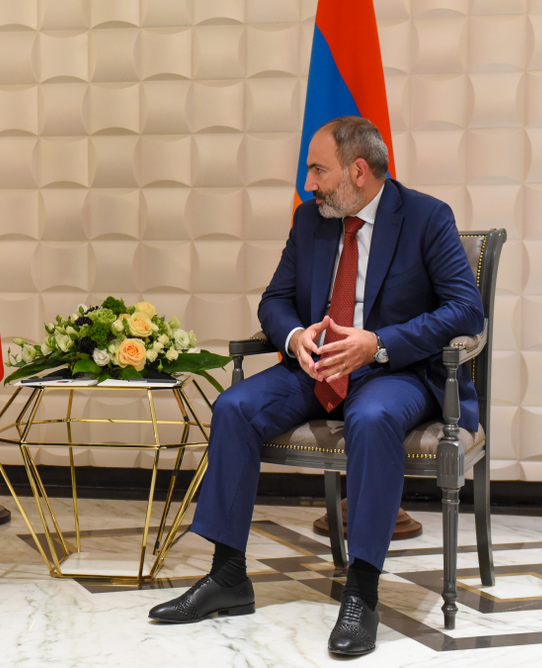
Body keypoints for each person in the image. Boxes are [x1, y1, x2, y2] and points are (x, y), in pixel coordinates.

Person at [147, 116, 484, 657]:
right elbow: (274, 300)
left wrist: (377, 343)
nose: (310, 183)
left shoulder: (425, 217)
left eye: (318, 169)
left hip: (393, 370)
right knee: (234, 406)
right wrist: (296, 334)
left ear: (357, 170)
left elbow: (466, 309)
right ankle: (228, 575)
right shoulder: (311, 221)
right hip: (317, 367)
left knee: (371, 419)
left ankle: (362, 591)